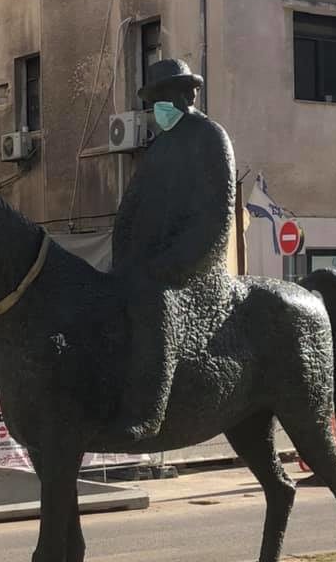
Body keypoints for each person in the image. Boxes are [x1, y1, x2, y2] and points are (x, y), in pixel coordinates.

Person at [111, 59, 236, 442]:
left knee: (153, 301)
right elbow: (132, 206)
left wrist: (171, 265)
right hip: (146, 265)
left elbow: (217, 216)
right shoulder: (160, 146)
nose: (157, 107)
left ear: (187, 96)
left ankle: (150, 408)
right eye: (154, 100)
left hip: (188, 269)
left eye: (164, 97)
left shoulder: (209, 137)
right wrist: (122, 259)